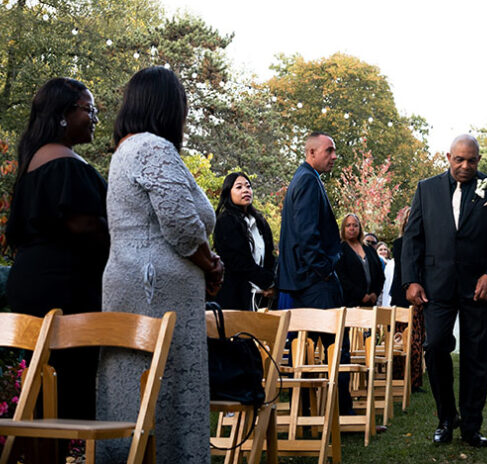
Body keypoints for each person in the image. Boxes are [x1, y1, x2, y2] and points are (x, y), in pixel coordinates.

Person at [97, 67, 221, 464]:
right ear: (168, 106)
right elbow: (181, 223)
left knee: (128, 385)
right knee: (168, 386)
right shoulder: (153, 148)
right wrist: (211, 264)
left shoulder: (124, 150)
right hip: (158, 288)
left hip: (127, 280)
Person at [4, 77, 108, 420]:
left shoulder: (37, 159)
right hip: (61, 288)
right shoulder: (62, 164)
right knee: (65, 390)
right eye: (88, 109)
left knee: (48, 388)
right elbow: (83, 225)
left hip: (37, 280)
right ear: (63, 114)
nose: (94, 117)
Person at [403, 134, 487, 448]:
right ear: (448, 157)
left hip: (480, 287)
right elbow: (413, 238)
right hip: (436, 287)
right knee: (435, 346)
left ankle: (471, 426)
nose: (465, 166)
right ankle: (446, 417)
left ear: (479, 160)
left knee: (476, 358)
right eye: (459, 159)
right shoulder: (426, 189)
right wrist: (411, 280)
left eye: (472, 160)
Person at [277, 132, 342, 310]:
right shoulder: (307, 180)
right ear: (311, 152)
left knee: (312, 338)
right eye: (329, 151)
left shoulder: (305, 177)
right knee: (331, 337)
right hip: (313, 283)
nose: (334, 156)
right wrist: (323, 270)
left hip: (308, 280)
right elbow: (306, 233)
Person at [213, 171, 277, 310]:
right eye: (239, 187)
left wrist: (273, 282)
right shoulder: (225, 221)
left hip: (262, 298)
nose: (246, 190)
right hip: (236, 297)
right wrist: (267, 282)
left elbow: (269, 256)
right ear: (228, 192)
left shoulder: (260, 222)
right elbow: (238, 262)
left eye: (248, 186)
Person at [390, 205, 424, 391]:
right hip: (402, 296)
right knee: (399, 339)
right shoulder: (399, 243)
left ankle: (415, 380)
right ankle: (397, 377)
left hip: (420, 295)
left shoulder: (428, 244)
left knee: (417, 339)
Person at [336, 213, 386, 307]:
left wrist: (375, 293)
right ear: (343, 228)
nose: (352, 228)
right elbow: (341, 277)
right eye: (348, 225)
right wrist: (361, 295)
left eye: (355, 225)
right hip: (349, 304)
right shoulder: (339, 250)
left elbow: (380, 275)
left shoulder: (369, 249)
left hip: (371, 303)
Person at [376, 241, 393, 306]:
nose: (383, 251)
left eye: (385, 249)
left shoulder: (391, 263)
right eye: (380, 250)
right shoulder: (376, 262)